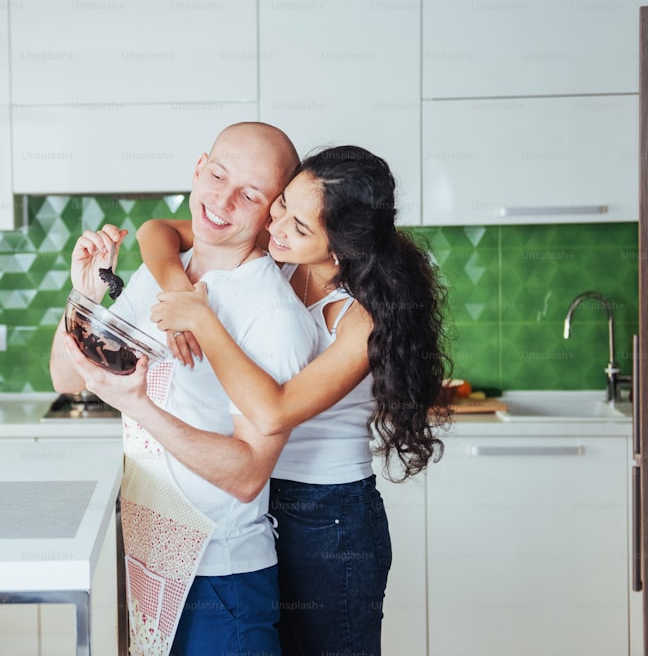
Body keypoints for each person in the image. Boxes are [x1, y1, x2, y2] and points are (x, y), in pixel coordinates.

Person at [66, 145, 450, 656]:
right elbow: (157, 231)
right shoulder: (281, 251)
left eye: (300, 225)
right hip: (263, 501)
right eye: (282, 204)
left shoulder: (360, 320)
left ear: (341, 248)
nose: (278, 225)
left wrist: (203, 320)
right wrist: (179, 285)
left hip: (328, 517)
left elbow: (273, 411)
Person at [50, 122, 318, 656]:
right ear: (198, 168)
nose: (221, 199)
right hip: (149, 558)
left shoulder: (273, 315)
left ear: (273, 212)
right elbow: (66, 378)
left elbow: (246, 476)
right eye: (217, 175)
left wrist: (139, 407)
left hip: (222, 578)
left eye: (250, 194)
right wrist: (82, 298)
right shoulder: (159, 272)